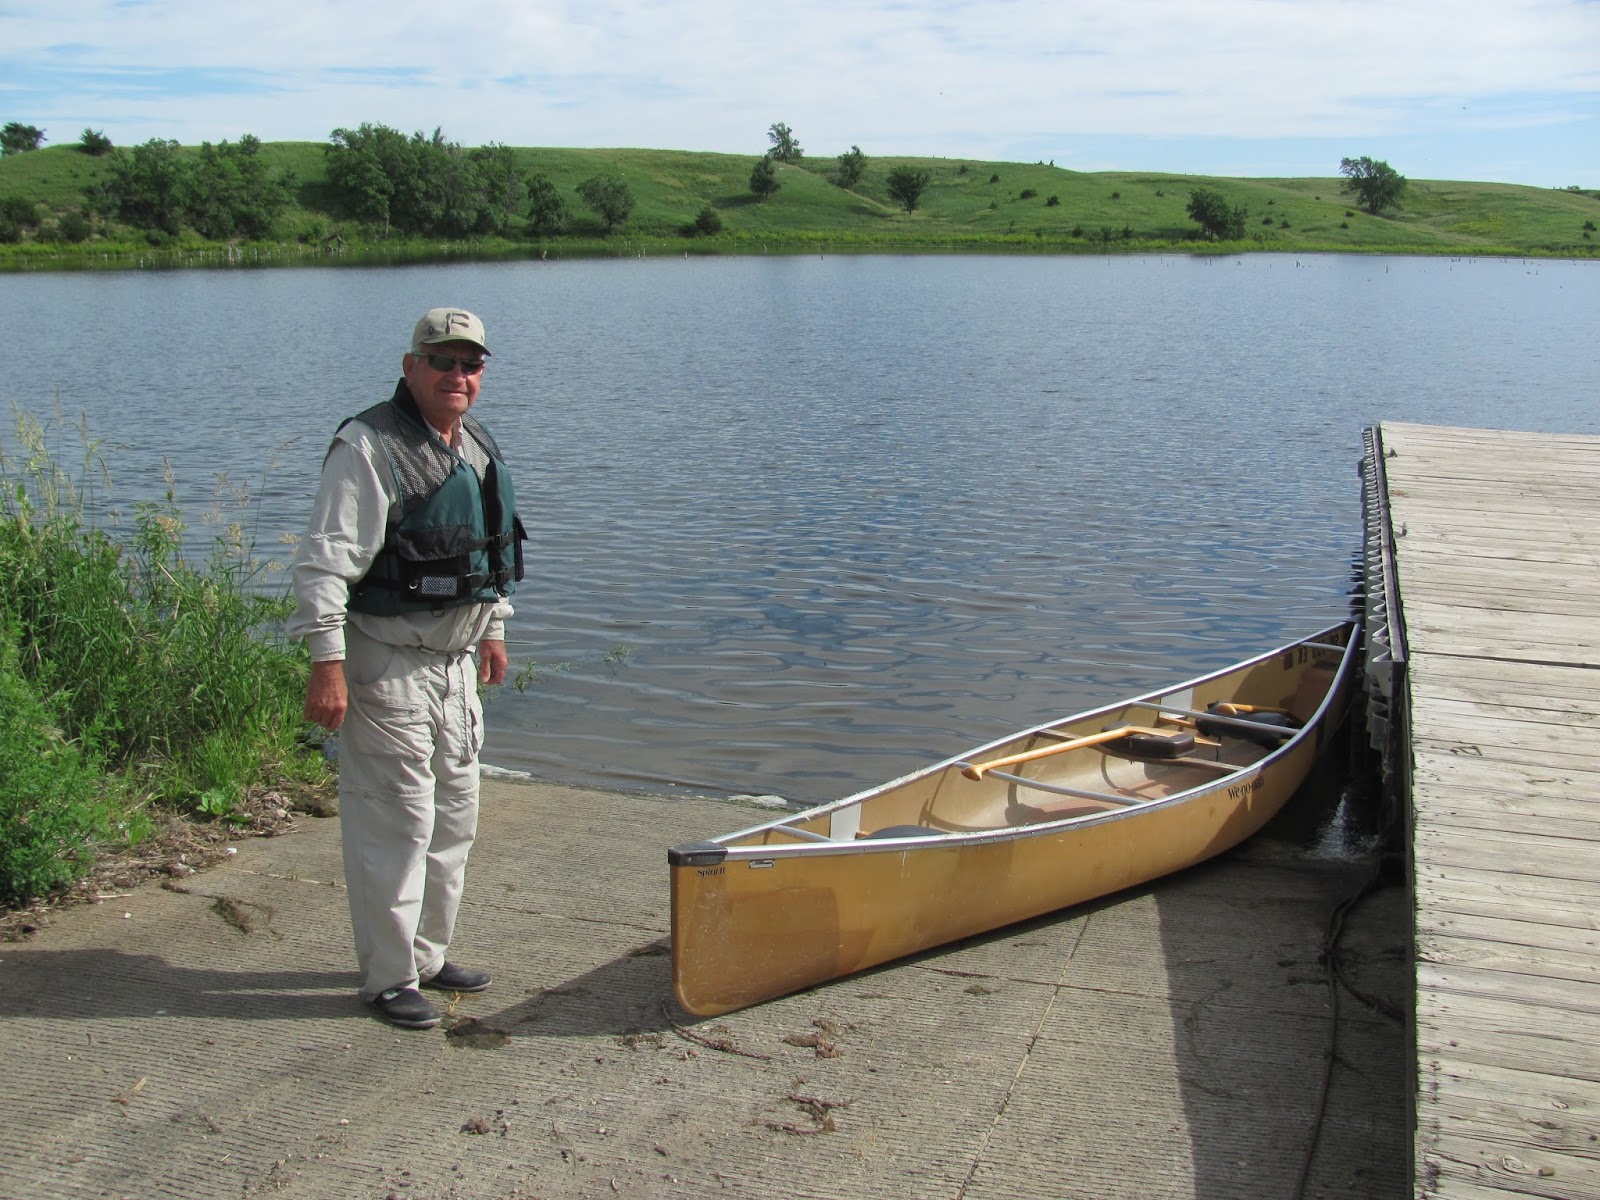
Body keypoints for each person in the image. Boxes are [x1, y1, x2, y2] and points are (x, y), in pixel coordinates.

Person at [288, 307, 524, 1030]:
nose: (457, 375)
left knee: (455, 815)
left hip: (454, 663)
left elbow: (482, 556)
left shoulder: (473, 444)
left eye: (470, 364)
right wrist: (327, 663)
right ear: (410, 366)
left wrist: (492, 631)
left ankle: (427, 955)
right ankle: (388, 979)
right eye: (442, 361)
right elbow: (325, 565)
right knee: (397, 822)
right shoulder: (367, 447)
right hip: (385, 658)